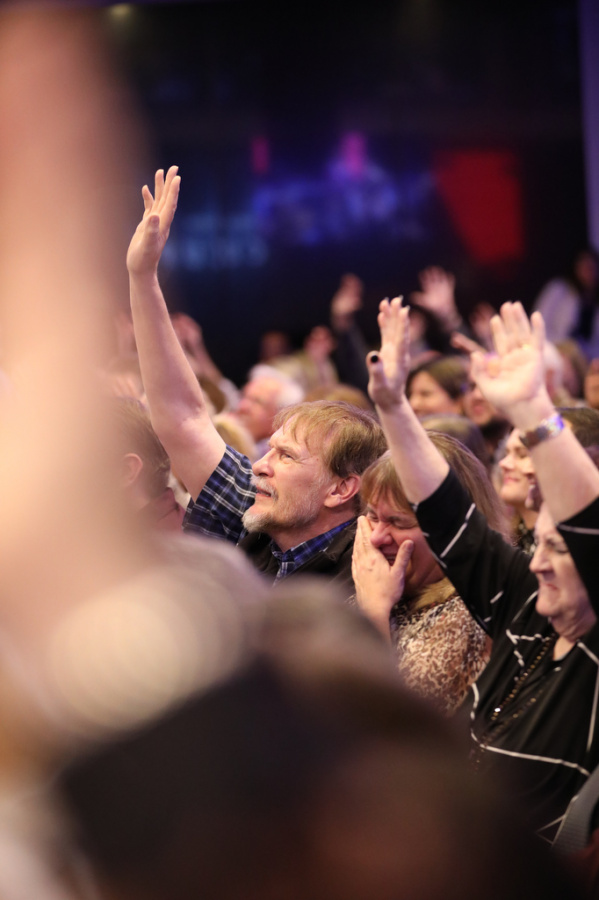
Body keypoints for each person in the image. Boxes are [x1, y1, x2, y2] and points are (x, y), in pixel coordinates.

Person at [366, 296, 599, 843]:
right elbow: (447, 513)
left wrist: (532, 409)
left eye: (559, 549)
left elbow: (589, 530)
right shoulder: (526, 602)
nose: (537, 560)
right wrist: (394, 408)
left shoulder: (593, 652)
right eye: (539, 545)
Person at [126, 168, 386, 594]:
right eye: (272, 450)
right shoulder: (259, 522)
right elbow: (184, 419)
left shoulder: (365, 580)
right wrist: (143, 278)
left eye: (286, 456)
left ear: (341, 489)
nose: (260, 464)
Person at [352, 432, 503, 716]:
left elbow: (395, 724)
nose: (376, 538)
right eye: (373, 516)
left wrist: (374, 612)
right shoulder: (377, 581)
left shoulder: (472, 612)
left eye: (399, 522)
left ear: (455, 529)